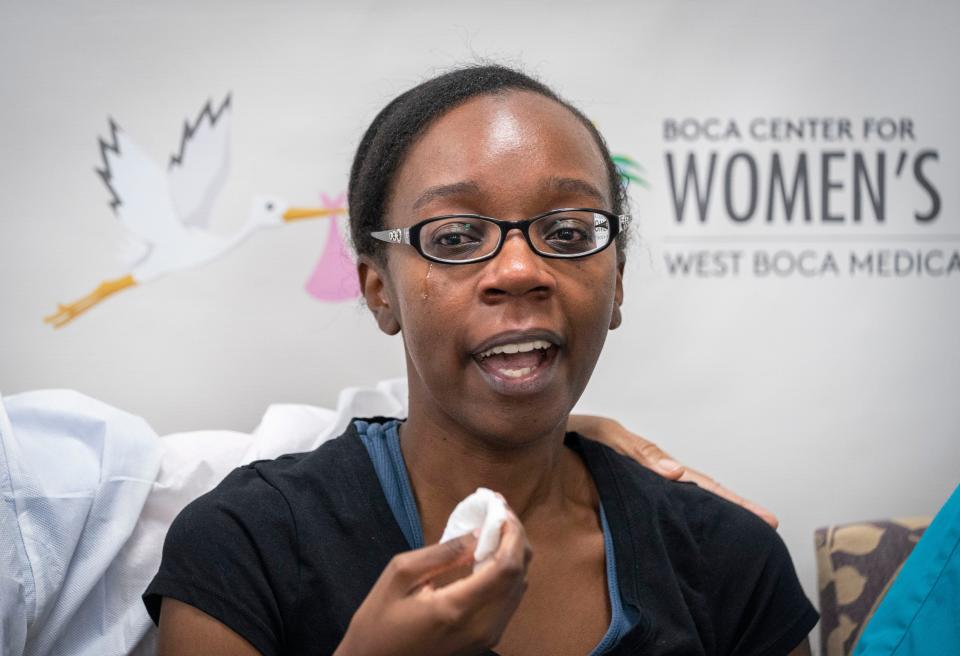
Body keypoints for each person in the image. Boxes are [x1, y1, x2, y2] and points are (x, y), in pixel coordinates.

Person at [144, 65, 818, 655]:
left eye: (568, 232)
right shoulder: (247, 547)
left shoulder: (729, 560)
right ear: (380, 292)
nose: (521, 270)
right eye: (458, 236)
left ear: (618, 282)